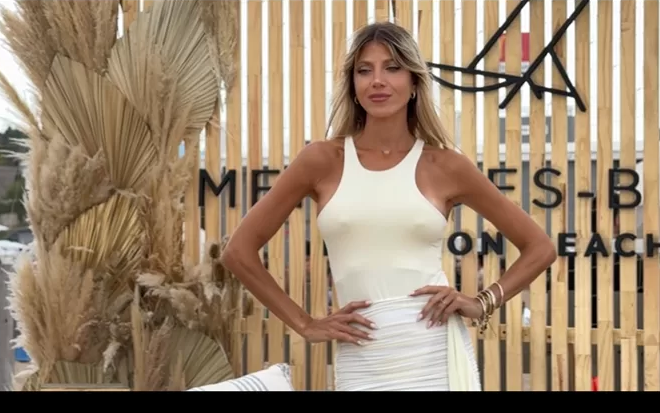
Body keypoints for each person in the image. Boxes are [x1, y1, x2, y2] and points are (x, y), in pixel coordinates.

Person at [221, 21, 557, 391]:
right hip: (362, 355)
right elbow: (238, 252)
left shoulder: (446, 166)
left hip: (434, 354)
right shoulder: (321, 160)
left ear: (414, 83)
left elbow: (540, 247)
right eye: (364, 70)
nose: (377, 81)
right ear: (353, 85)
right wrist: (305, 324)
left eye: (393, 68)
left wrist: (482, 302)